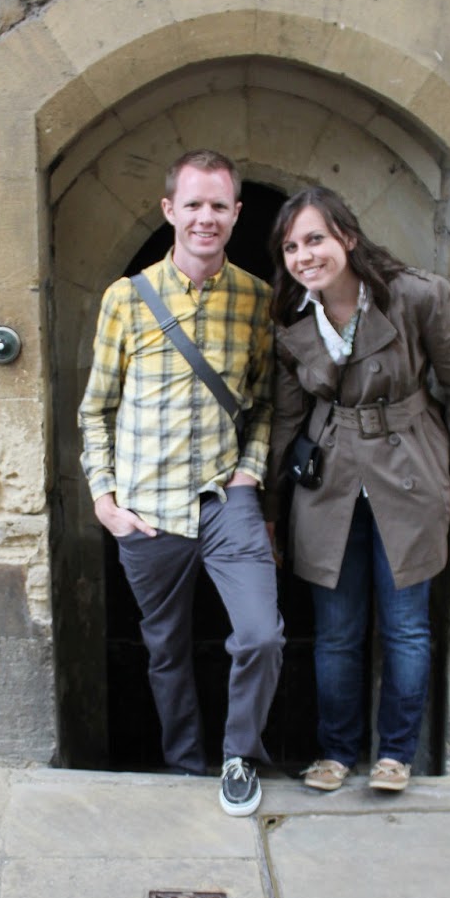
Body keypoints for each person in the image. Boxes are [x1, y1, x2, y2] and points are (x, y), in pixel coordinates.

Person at [79, 150, 284, 816]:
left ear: (236, 214)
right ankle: (184, 764)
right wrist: (105, 502)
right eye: (192, 204)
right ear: (169, 210)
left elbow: (262, 403)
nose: (205, 217)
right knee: (165, 652)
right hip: (147, 510)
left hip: (228, 499)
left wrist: (252, 471)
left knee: (260, 635)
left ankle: (237, 756)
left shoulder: (256, 299)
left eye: (218, 205)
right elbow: (96, 409)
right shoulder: (125, 299)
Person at [267, 185, 450, 795]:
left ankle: (395, 755)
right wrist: (272, 510)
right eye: (291, 246)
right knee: (336, 632)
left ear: (348, 238)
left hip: (409, 470)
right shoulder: (291, 316)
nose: (305, 255)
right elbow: (287, 418)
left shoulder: (417, 296)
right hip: (327, 484)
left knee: (407, 626)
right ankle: (336, 753)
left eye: (316, 239)